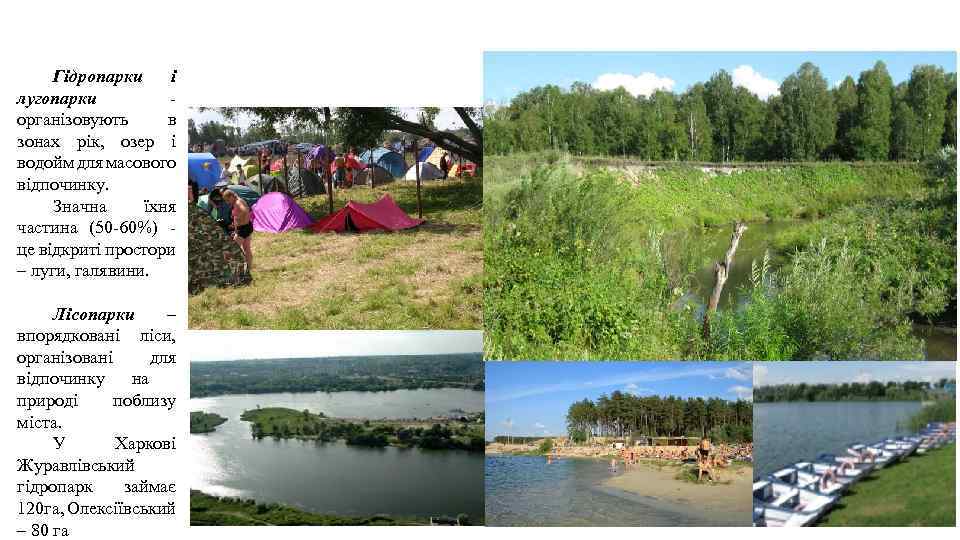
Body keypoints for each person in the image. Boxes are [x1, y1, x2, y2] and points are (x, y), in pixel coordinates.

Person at [222, 189, 253, 272]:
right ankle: (248, 268)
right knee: (246, 249)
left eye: (228, 200)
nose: (227, 202)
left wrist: (237, 217)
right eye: (226, 201)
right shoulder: (237, 202)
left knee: (232, 250)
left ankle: (230, 270)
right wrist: (235, 226)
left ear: (232, 196)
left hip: (243, 229)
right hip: (245, 227)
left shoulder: (238, 202)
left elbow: (245, 210)